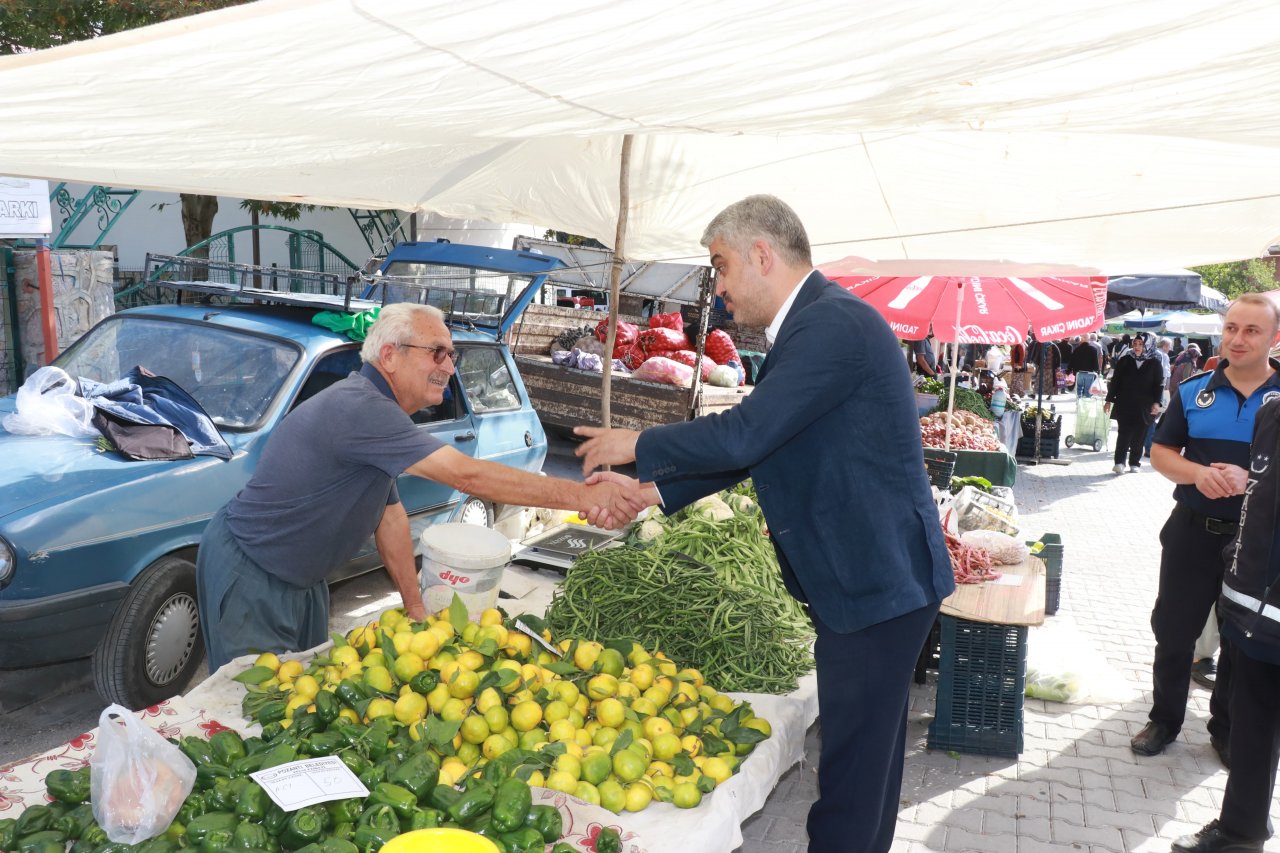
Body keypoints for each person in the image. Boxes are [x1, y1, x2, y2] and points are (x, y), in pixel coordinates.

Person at [574, 195, 954, 853]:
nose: (717, 288)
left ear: (761, 254)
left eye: (720, 267)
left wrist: (638, 440)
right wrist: (648, 494)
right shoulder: (818, 327)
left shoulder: (833, 325)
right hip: (875, 583)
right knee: (867, 771)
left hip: (872, 586)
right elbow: (762, 447)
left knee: (848, 786)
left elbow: (746, 433)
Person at [196, 303, 644, 672]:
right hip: (253, 571)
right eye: (437, 353)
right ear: (389, 355)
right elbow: (467, 476)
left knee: (304, 695)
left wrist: (414, 607)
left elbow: (387, 513)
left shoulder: (381, 412)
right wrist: (584, 496)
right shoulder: (362, 408)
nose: (449, 367)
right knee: (251, 712)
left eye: (452, 356)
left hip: (304, 579)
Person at [1131, 295, 1280, 766]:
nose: (1237, 339)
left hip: (1259, 544)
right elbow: (1161, 452)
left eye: (1252, 330)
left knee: (1241, 639)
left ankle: (1226, 728)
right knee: (1174, 630)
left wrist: (1253, 479)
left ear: (1275, 338)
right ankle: (1165, 718)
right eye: (1232, 327)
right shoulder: (1195, 391)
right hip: (1192, 531)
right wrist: (1196, 473)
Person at [1173, 392, 1280, 853]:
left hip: (1267, 613)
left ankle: (1241, 832)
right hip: (1250, 605)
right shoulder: (1273, 412)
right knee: (1253, 723)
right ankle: (1243, 827)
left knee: (1256, 723)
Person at [1104, 332, 1164, 474]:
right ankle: (1119, 462)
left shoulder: (1155, 362)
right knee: (1123, 433)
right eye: (1135, 344)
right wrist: (1108, 400)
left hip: (1145, 405)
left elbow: (1159, 384)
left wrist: (1157, 403)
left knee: (1140, 434)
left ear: (1148, 345)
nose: (1137, 347)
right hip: (1125, 402)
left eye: (1141, 344)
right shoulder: (1125, 360)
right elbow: (1116, 382)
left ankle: (1134, 462)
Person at [1143, 337, 1175, 457]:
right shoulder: (1162, 356)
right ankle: (1148, 447)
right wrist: (1165, 392)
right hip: (1158, 391)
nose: (1170, 348)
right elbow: (1163, 375)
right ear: (1165, 345)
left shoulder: (1150, 353)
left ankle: (1143, 445)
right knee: (1153, 418)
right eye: (1169, 346)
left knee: (1150, 418)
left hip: (1150, 391)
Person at [1067, 332, 1105, 398]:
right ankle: (1087, 403)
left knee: (1079, 389)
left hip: (1079, 372)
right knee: (1088, 389)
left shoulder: (1077, 350)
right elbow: (1095, 362)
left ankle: (1079, 401)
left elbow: (1072, 361)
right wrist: (1097, 370)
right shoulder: (1093, 350)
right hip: (1090, 373)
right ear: (1088, 339)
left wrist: (1069, 371)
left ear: (1081, 339)